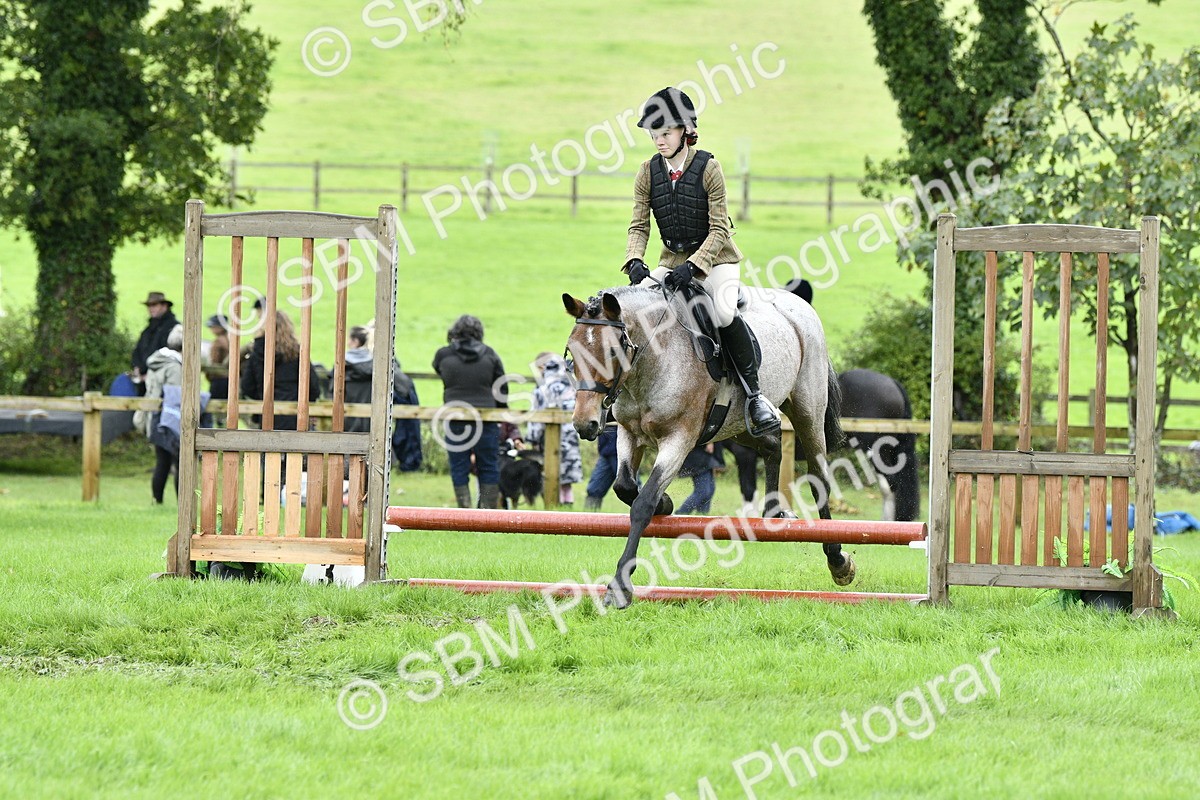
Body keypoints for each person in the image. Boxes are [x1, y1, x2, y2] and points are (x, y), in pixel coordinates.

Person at [622, 87, 779, 437]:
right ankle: (626, 398)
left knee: (722, 313)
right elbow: (639, 224)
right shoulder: (647, 172)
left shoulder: (709, 167)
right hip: (669, 261)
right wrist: (634, 259)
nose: (659, 140)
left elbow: (720, 227)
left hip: (716, 259)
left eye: (665, 133)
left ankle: (754, 396)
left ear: (684, 132)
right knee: (637, 311)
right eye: (654, 134)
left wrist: (693, 267)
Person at [433, 315, 508, 508]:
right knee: (488, 465)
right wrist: (500, 411)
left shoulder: (443, 355)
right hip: (486, 419)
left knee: (459, 466)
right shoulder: (490, 354)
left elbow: (438, 369)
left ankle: (464, 512)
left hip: (456, 418)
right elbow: (501, 386)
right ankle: (487, 513)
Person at [240, 310, 320, 431]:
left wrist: (262, 396)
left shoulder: (257, 354)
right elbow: (313, 386)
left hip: (267, 416)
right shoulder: (297, 354)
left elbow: (247, 386)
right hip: (296, 417)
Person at [132, 323, 183, 504]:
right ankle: (182, 505)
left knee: (162, 461)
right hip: (170, 418)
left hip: (155, 417)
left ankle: (157, 501)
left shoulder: (158, 361)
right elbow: (176, 396)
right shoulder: (175, 367)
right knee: (179, 463)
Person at [527, 353, 582, 506]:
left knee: (550, 473)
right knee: (567, 478)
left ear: (543, 367)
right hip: (571, 436)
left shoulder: (542, 387)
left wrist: (532, 439)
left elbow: (536, 415)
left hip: (548, 438)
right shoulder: (572, 385)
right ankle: (568, 509)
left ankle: (552, 509)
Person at [131, 291, 179, 391]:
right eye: (149, 305)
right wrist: (137, 368)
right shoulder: (148, 329)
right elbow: (137, 351)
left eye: (154, 305)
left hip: (163, 383)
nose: (150, 308)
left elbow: (171, 356)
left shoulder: (174, 329)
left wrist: (151, 375)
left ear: (164, 306)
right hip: (143, 382)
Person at [677, 442, 722, 515]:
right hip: (699, 455)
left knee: (710, 490)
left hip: (704, 456)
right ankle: (680, 514)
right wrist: (709, 441)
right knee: (702, 492)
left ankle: (702, 516)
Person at [583, 424, 619, 510]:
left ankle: (646, 519)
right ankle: (588, 520)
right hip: (606, 451)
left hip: (621, 453)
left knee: (633, 489)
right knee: (594, 489)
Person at [202, 313, 230, 401]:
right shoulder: (228, 339)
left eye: (213, 326)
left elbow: (215, 361)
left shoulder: (218, 342)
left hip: (218, 379)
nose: (211, 329)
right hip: (227, 379)